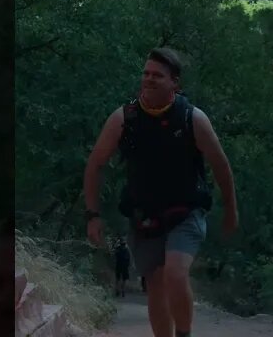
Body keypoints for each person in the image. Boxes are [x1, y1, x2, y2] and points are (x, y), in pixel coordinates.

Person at [83, 47, 240, 337]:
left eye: (158, 75)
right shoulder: (123, 119)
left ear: (175, 83)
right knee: (155, 284)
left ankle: (183, 333)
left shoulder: (192, 118)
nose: (149, 79)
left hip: (186, 211)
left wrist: (231, 209)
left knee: (175, 274)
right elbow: (95, 165)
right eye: (146, 74)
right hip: (144, 216)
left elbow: (221, 166)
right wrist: (92, 214)